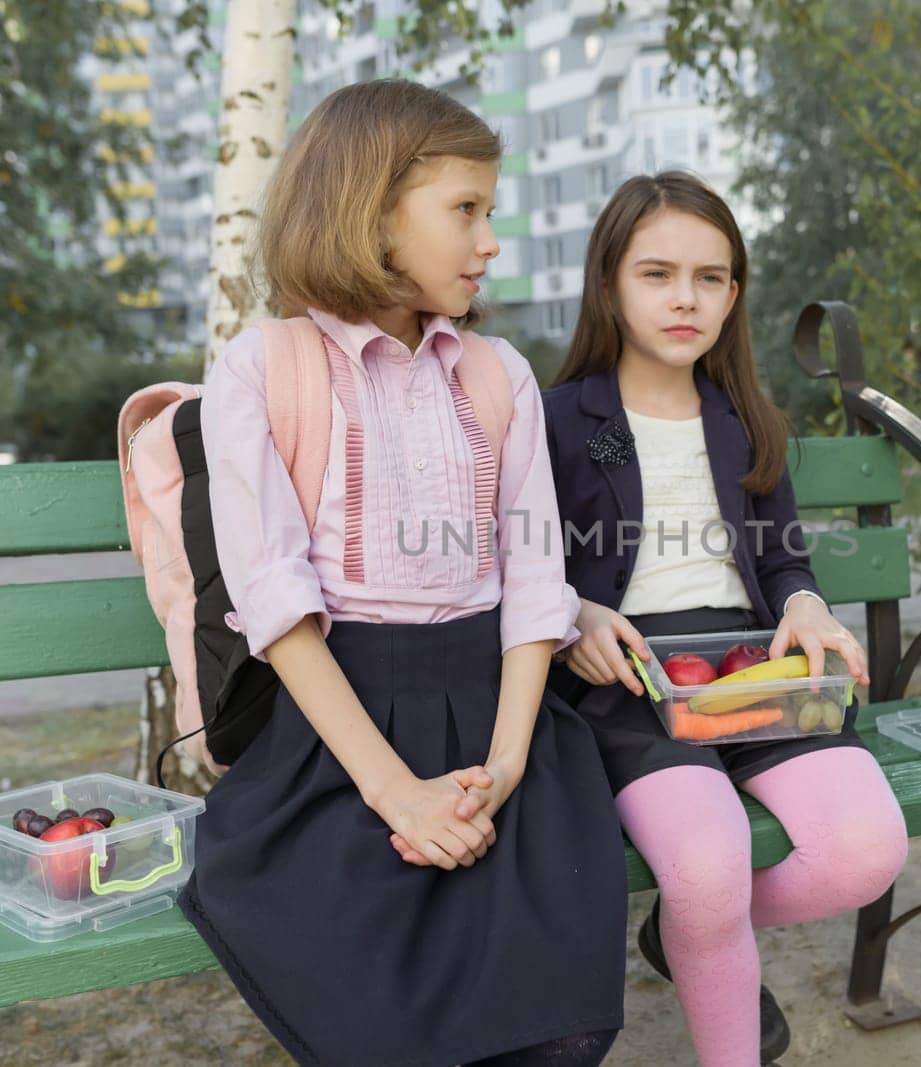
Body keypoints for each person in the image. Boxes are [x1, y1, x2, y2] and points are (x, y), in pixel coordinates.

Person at [180, 80, 625, 1067]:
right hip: (338, 734)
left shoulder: (496, 372)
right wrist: (399, 794)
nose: (489, 240)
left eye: (488, 211)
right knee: (378, 1007)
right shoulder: (263, 367)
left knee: (553, 1015)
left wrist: (504, 767)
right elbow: (277, 604)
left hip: (501, 716)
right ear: (370, 211)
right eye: (465, 209)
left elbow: (534, 579)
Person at [540, 171, 909, 1065]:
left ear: (734, 294)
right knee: (707, 863)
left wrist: (809, 605)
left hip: (752, 669)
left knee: (866, 848)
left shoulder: (746, 420)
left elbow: (782, 561)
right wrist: (571, 614)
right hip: (628, 681)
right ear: (609, 286)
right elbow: (523, 568)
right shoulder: (555, 421)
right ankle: (710, 949)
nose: (685, 298)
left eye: (711, 278)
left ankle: (687, 934)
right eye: (657, 274)